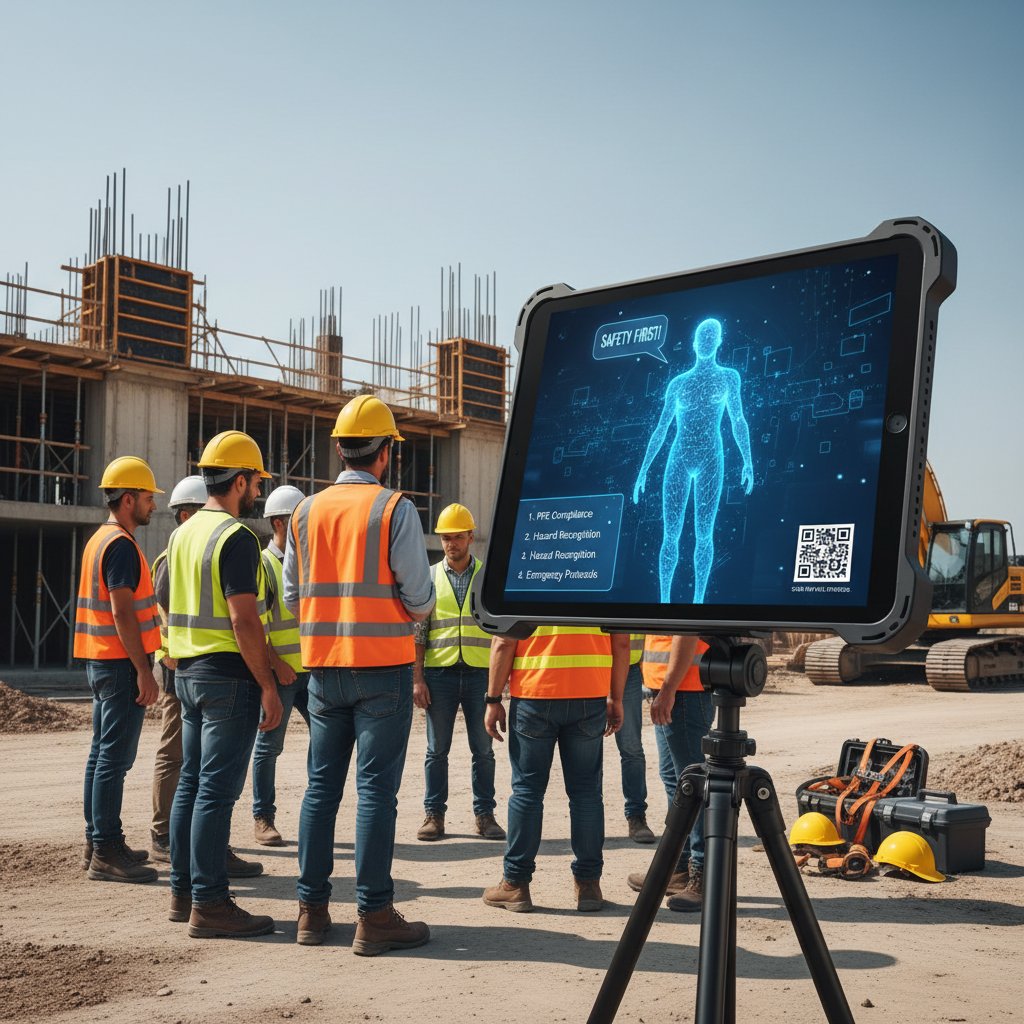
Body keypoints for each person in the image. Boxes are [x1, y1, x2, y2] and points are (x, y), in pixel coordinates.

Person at [284, 395, 435, 955]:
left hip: (323, 669)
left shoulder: (304, 512)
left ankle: (311, 912)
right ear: (386, 452)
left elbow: (293, 595)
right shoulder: (394, 509)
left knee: (321, 789)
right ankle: (373, 916)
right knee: (375, 792)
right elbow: (419, 599)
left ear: (340, 451)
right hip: (383, 669)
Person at [166, 430, 283, 939]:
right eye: (255, 481)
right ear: (238, 481)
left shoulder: (182, 533)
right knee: (214, 793)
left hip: (187, 674)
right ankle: (211, 903)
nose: (257, 490)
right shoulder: (236, 537)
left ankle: (183, 893)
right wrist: (268, 685)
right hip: (227, 679)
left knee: (191, 785)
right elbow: (243, 620)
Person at [482, 626, 628, 913]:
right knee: (586, 794)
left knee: (527, 793)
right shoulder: (604, 592)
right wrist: (617, 697)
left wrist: (493, 699)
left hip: (535, 692)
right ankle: (588, 885)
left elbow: (504, 642)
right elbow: (621, 643)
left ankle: (515, 884)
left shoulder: (525, 591)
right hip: (589, 694)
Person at [76, 456, 162, 883]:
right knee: (114, 758)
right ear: (128, 499)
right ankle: (107, 851)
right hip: (120, 663)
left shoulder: (99, 539)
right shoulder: (121, 546)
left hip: (101, 660)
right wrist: (143, 670)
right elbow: (123, 612)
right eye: (147, 498)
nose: (152, 505)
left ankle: (99, 841)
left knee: (101, 754)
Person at [633, 317, 754, 603]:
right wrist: (643, 470)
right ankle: (664, 603)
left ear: (719, 342)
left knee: (704, 534)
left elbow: (738, 420)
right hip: (679, 457)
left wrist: (748, 460)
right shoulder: (678, 384)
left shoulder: (729, 377)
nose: (706, 342)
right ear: (694, 343)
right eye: (702, 338)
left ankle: (698, 603)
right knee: (670, 535)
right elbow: (661, 428)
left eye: (711, 338)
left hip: (711, 457)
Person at [414, 503, 504, 843]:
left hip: (481, 675)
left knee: (483, 750)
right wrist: (417, 678)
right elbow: (418, 632)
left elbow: (500, 632)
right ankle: (434, 815)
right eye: (446, 538)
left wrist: (500, 682)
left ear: (470, 537)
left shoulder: (488, 577)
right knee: (437, 750)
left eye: (457, 537)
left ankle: (485, 816)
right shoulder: (429, 576)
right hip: (440, 675)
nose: (451, 544)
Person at [626, 634, 713, 910]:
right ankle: (680, 867)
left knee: (693, 786)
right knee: (677, 783)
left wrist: (669, 688)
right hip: (672, 688)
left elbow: (685, 634)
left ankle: (703, 874)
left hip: (685, 689)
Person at [149, 474, 206, 863]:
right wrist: (171, 657)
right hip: (176, 671)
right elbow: (168, 620)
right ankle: (162, 835)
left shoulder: (193, 553)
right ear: (185, 514)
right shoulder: (172, 558)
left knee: (199, 758)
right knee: (174, 753)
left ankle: (193, 834)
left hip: (197, 669)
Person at [252, 484, 309, 846]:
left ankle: (316, 814)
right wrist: (275, 665)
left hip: (314, 670)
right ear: (277, 523)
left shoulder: (309, 563)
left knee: (327, 744)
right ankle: (263, 817)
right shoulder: (264, 565)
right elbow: (255, 624)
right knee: (269, 746)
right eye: (296, 522)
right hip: (282, 674)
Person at [614, 634, 655, 844]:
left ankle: (636, 815)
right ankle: (590, 820)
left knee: (631, 748)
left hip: (629, 667)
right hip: (592, 666)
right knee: (589, 749)